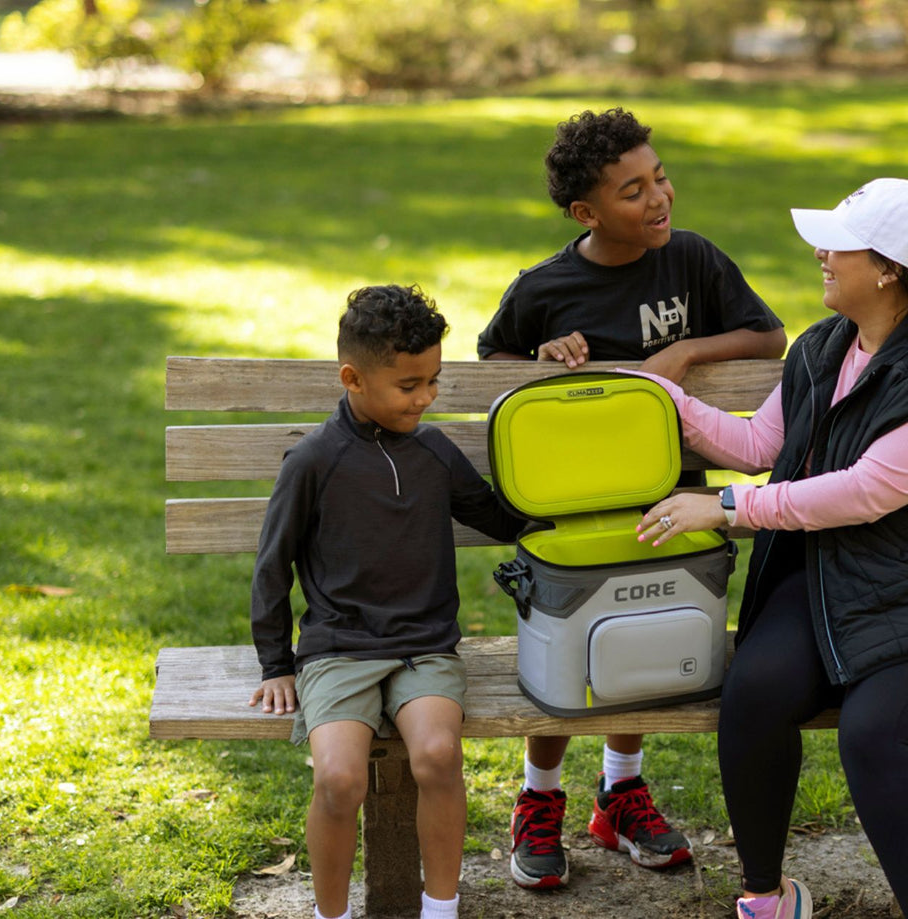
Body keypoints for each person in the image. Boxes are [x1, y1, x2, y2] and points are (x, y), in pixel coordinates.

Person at [632, 179, 908, 919]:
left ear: (886, 267)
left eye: (837, 243)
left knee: (874, 733)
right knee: (752, 693)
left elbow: (864, 491)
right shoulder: (824, 347)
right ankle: (767, 896)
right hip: (840, 578)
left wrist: (724, 507)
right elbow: (762, 443)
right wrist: (659, 398)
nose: (820, 252)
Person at [477, 107, 787, 890]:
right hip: (570, 512)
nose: (658, 199)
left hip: (665, 496)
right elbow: (494, 359)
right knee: (570, 650)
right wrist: (545, 356)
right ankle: (538, 797)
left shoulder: (691, 261)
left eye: (658, 177)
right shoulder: (543, 287)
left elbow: (767, 336)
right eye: (632, 191)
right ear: (586, 212)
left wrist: (687, 349)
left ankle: (621, 789)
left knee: (639, 638)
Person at [249, 284, 530, 919]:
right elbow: (272, 567)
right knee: (339, 779)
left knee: (436, 754)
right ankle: (333, 914)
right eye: (409, 386)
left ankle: (440, 909)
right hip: (339, 651)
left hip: (423, 650)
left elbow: (500, 519)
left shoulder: (434, 450)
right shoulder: (314, 460)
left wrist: (570, 499)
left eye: (433, 381)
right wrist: (276, 664)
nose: (426, 398)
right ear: (353, 377)